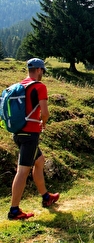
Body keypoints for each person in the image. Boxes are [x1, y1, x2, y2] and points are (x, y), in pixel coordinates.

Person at [7, 58, 59, 220]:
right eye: (42, 71)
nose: (42, 73)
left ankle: (46, 196)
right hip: (30, 134)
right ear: (38, 70)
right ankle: (14, 210)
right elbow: (45, 112)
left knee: (39, 161)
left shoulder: (21, 85)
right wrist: (43, 123)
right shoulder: (39, 87)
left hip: (18, 132)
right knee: (23, 171)